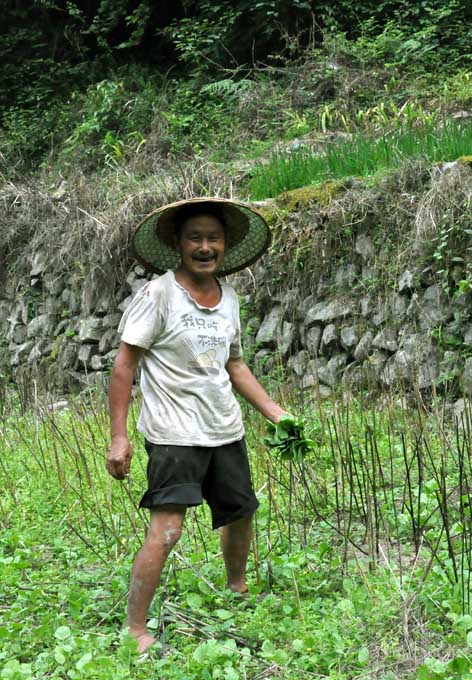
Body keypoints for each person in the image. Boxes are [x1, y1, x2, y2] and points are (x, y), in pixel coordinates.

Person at [105, 197, 285, 654]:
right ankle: (136, 627)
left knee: (241, 512)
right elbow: (124, 365)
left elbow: (236, 365)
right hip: (173, 435)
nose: (205, 247)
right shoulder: (158, 295)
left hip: (224, 429)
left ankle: (237, 588)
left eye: (213, 238)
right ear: (178, 244)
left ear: (225, 245)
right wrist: (120, 437)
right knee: (168, 529)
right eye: (195, 238)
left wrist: (277, 414)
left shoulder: (230, 301)